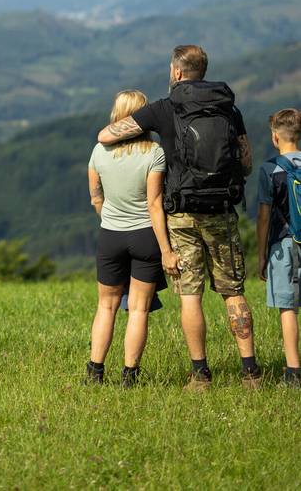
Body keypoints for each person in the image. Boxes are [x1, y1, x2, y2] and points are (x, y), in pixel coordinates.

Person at [97, 44, 260, 391]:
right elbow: (246, 163)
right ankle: (251, 373)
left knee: (190, 296)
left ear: (176, 71)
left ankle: (200, 374)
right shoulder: (230, 109)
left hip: (181, 214)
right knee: (233, 292)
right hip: (221, 211)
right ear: (203, 71)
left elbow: (106, 135)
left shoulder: (163, 108)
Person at [85, 90, 175, 386]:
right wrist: (166, 249)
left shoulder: (99, 151)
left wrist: (110, 219)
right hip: (145, 236)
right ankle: (130, 376)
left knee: (106, 306)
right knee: (138, 309)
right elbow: (154, 204)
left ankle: (95, 372)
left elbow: (96, 198)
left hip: (110, 235)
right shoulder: (154, 152)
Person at [256, 108, 301, 387]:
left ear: (275, 137)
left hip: (283, 243)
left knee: (288, 308)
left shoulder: (270, 169)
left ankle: (293, 372)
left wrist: (261, 255)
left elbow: (263, 217)